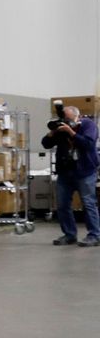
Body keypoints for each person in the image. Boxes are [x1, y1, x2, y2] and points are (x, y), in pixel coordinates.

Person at [42, 103, 100, 245]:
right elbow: (45, 144)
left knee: (88, 203)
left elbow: (88, 144)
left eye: (68, 119)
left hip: (85, 171)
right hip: (65, 172)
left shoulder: (88, 125)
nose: (66, 122)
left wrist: (71, 132)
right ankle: (69, 234)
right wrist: (52, 133)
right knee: (62, 205)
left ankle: (95, 235)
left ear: (76, 116)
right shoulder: (61, 130)